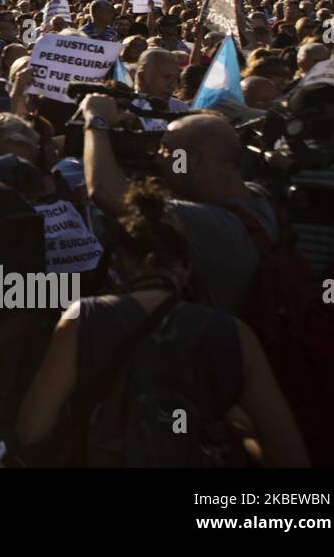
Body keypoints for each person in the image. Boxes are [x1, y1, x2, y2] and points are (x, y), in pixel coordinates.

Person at [17, 180, 309, 468]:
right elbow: (289, 454)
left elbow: (31, 431)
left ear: (121, 264)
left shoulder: (83, 319)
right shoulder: (235, 333)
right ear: (186, 268)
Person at [81, 98, 276, 315]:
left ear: (196, 161)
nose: (158, 158)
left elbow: (106, 192)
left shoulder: (205, 223)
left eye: (167, 149)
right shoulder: (258, 197)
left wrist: (96, 122)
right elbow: (184, 175)